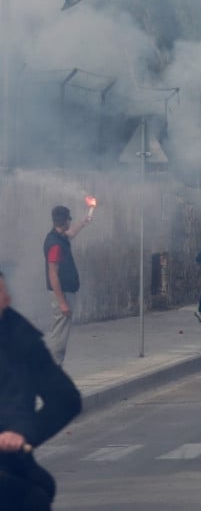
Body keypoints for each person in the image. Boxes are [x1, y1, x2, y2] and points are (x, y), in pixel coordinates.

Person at [0, 270, 82, 510]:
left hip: (10, 461)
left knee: (39, 489)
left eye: (4, 293)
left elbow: (65, 399)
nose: (6, 300)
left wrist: (22, 433)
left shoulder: (19, 337)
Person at [43, 205, 91, 366]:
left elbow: (70, 234)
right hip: (61, 294)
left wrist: (83, 222)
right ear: (64, 221)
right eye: (69, 219)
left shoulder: (59, 236)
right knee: (60, 335)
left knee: (60, 332)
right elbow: (53, 274)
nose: (71, 221)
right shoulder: (55, 244)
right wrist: (62, 302)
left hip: (65, 293)